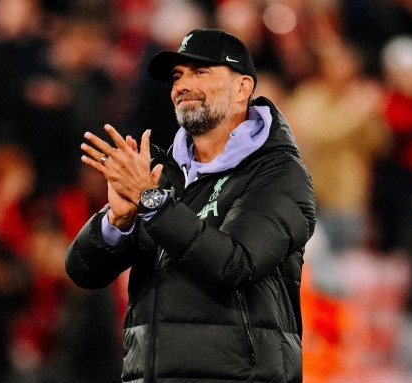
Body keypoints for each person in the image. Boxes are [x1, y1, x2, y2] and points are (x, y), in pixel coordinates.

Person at [65, 28, 316, 382]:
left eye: (200, 72)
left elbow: (234, 263)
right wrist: (117, 220)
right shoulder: (163, 175)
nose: (182, 85)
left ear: (243, 88)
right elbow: (82, 271)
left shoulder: (278, 172)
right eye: (178, 76)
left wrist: (151, 202)